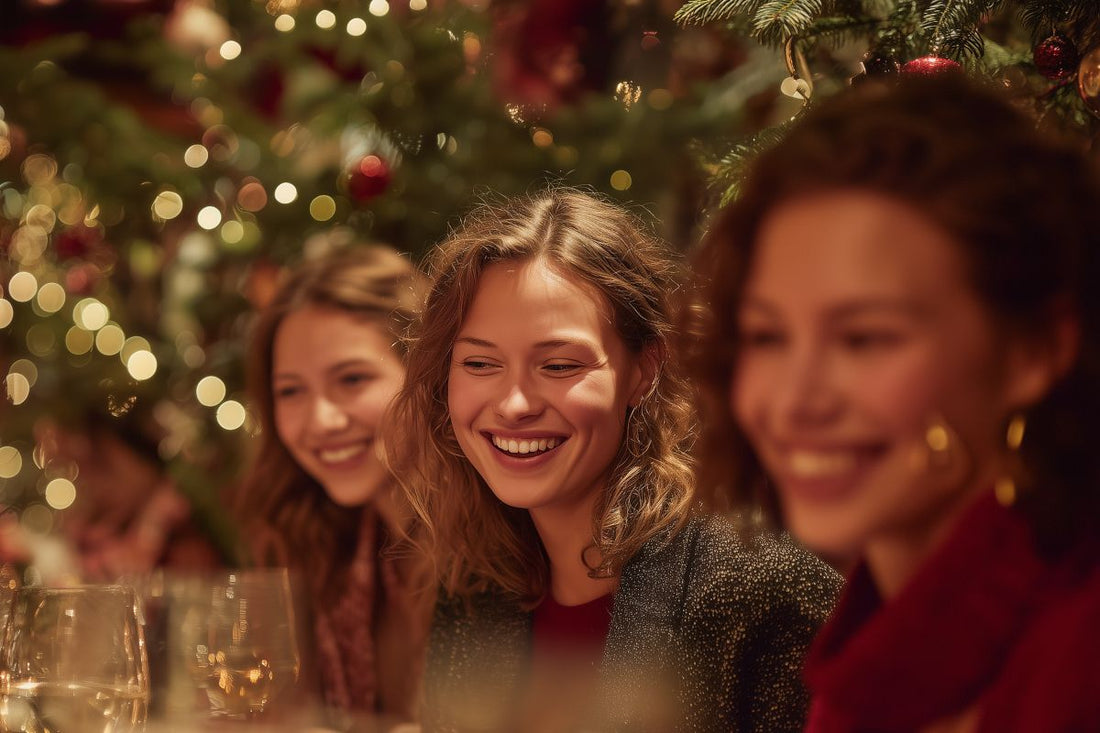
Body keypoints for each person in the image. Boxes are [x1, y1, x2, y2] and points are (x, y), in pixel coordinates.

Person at [688, 73, 1100, 731]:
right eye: (766, 335)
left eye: (865, 338)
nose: (794, 401)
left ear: (1036, 350)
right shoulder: (866, 662)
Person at [387, 189, 840, 732]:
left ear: (643, 371)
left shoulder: (757, 583)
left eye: (557, 365)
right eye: (480, 363)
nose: (513, 405)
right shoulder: (474, 585)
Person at [235, 245, 431, 727]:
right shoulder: (323, 548)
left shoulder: (507, 551)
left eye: (352, 378)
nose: (320, 421)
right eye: (291, 391)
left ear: (427, 374)